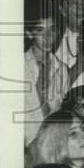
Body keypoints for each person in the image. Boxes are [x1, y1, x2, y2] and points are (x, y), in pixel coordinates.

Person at [23, 12, 70, 145]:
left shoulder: (62, 69)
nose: (48, 37)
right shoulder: (18, 66)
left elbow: (57, 111)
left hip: (51, 143)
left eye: (53, 29)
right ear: (29, 33)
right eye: (40, 30)